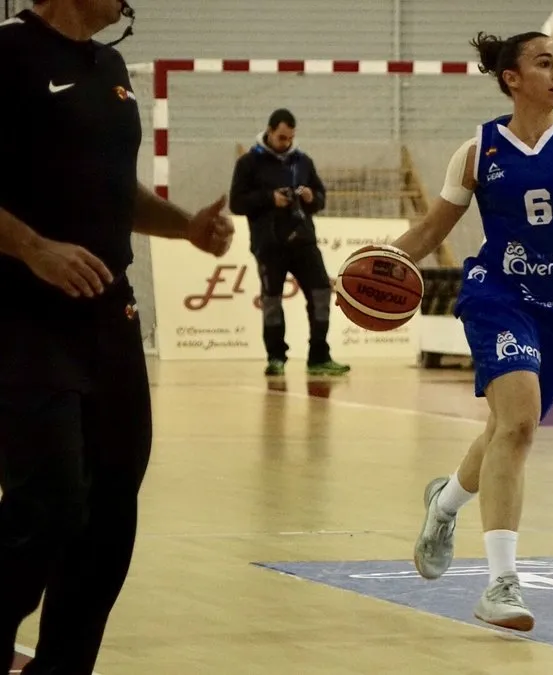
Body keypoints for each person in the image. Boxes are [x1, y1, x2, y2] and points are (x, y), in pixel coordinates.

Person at [381, 30, 553, 631]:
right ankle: (500, 583)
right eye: (544, 63)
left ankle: (445, 503)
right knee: (520, 422)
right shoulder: (478, 150)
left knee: (507, 429)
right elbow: (431, 231)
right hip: (500, 294)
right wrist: (378, 263)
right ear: (512, 78)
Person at [0, 1, 235, 672]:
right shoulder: (10, 53)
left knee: (110, 517)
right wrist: (33, 247)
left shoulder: (109, 66)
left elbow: (114, 192)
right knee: (47, 506)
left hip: (111, 321)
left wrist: (185, 225)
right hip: (23, 317)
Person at [230, 108, 350, 377]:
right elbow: (236, 203)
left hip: (304, 241)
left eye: (290, 137)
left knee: (321, 293)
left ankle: (319, 356)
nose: (285, 142)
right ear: (269, 132)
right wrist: (269, 199)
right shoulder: (249, 163)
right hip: (269, 244)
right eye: (281, 137)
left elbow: (321, 198)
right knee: (272, 300)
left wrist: (310, 197)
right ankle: (276, 358)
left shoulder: (303, 161)